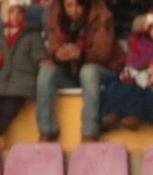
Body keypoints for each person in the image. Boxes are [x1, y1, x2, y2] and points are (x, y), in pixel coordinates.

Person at [37, 0, 116, 143]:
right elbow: (53, 46)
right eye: (69, 5)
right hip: (70, 71)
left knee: (88, 71)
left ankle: (89, 133)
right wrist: (58, 54)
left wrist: (81, 54)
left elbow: (104, 54)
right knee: (46, 72)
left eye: (78, 5)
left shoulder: (102, 15)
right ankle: (47, 130)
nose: (74, 10)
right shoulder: (55, 15)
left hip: (100, 70)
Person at [100, 9, 153, 131]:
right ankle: (112, 115)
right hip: (136, 74)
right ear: (147, 28)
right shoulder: (138, 42)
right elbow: (132, 62)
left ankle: (135, 116)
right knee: (121, 87)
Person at [0, 0, 45, 146]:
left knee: (9, 109)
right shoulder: (0, 36)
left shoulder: (32, 35)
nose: (15, 17)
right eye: (12, 12)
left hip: (22, 82)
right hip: (0, 81)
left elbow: (40, 56)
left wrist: (42, 63)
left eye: (19, 13)